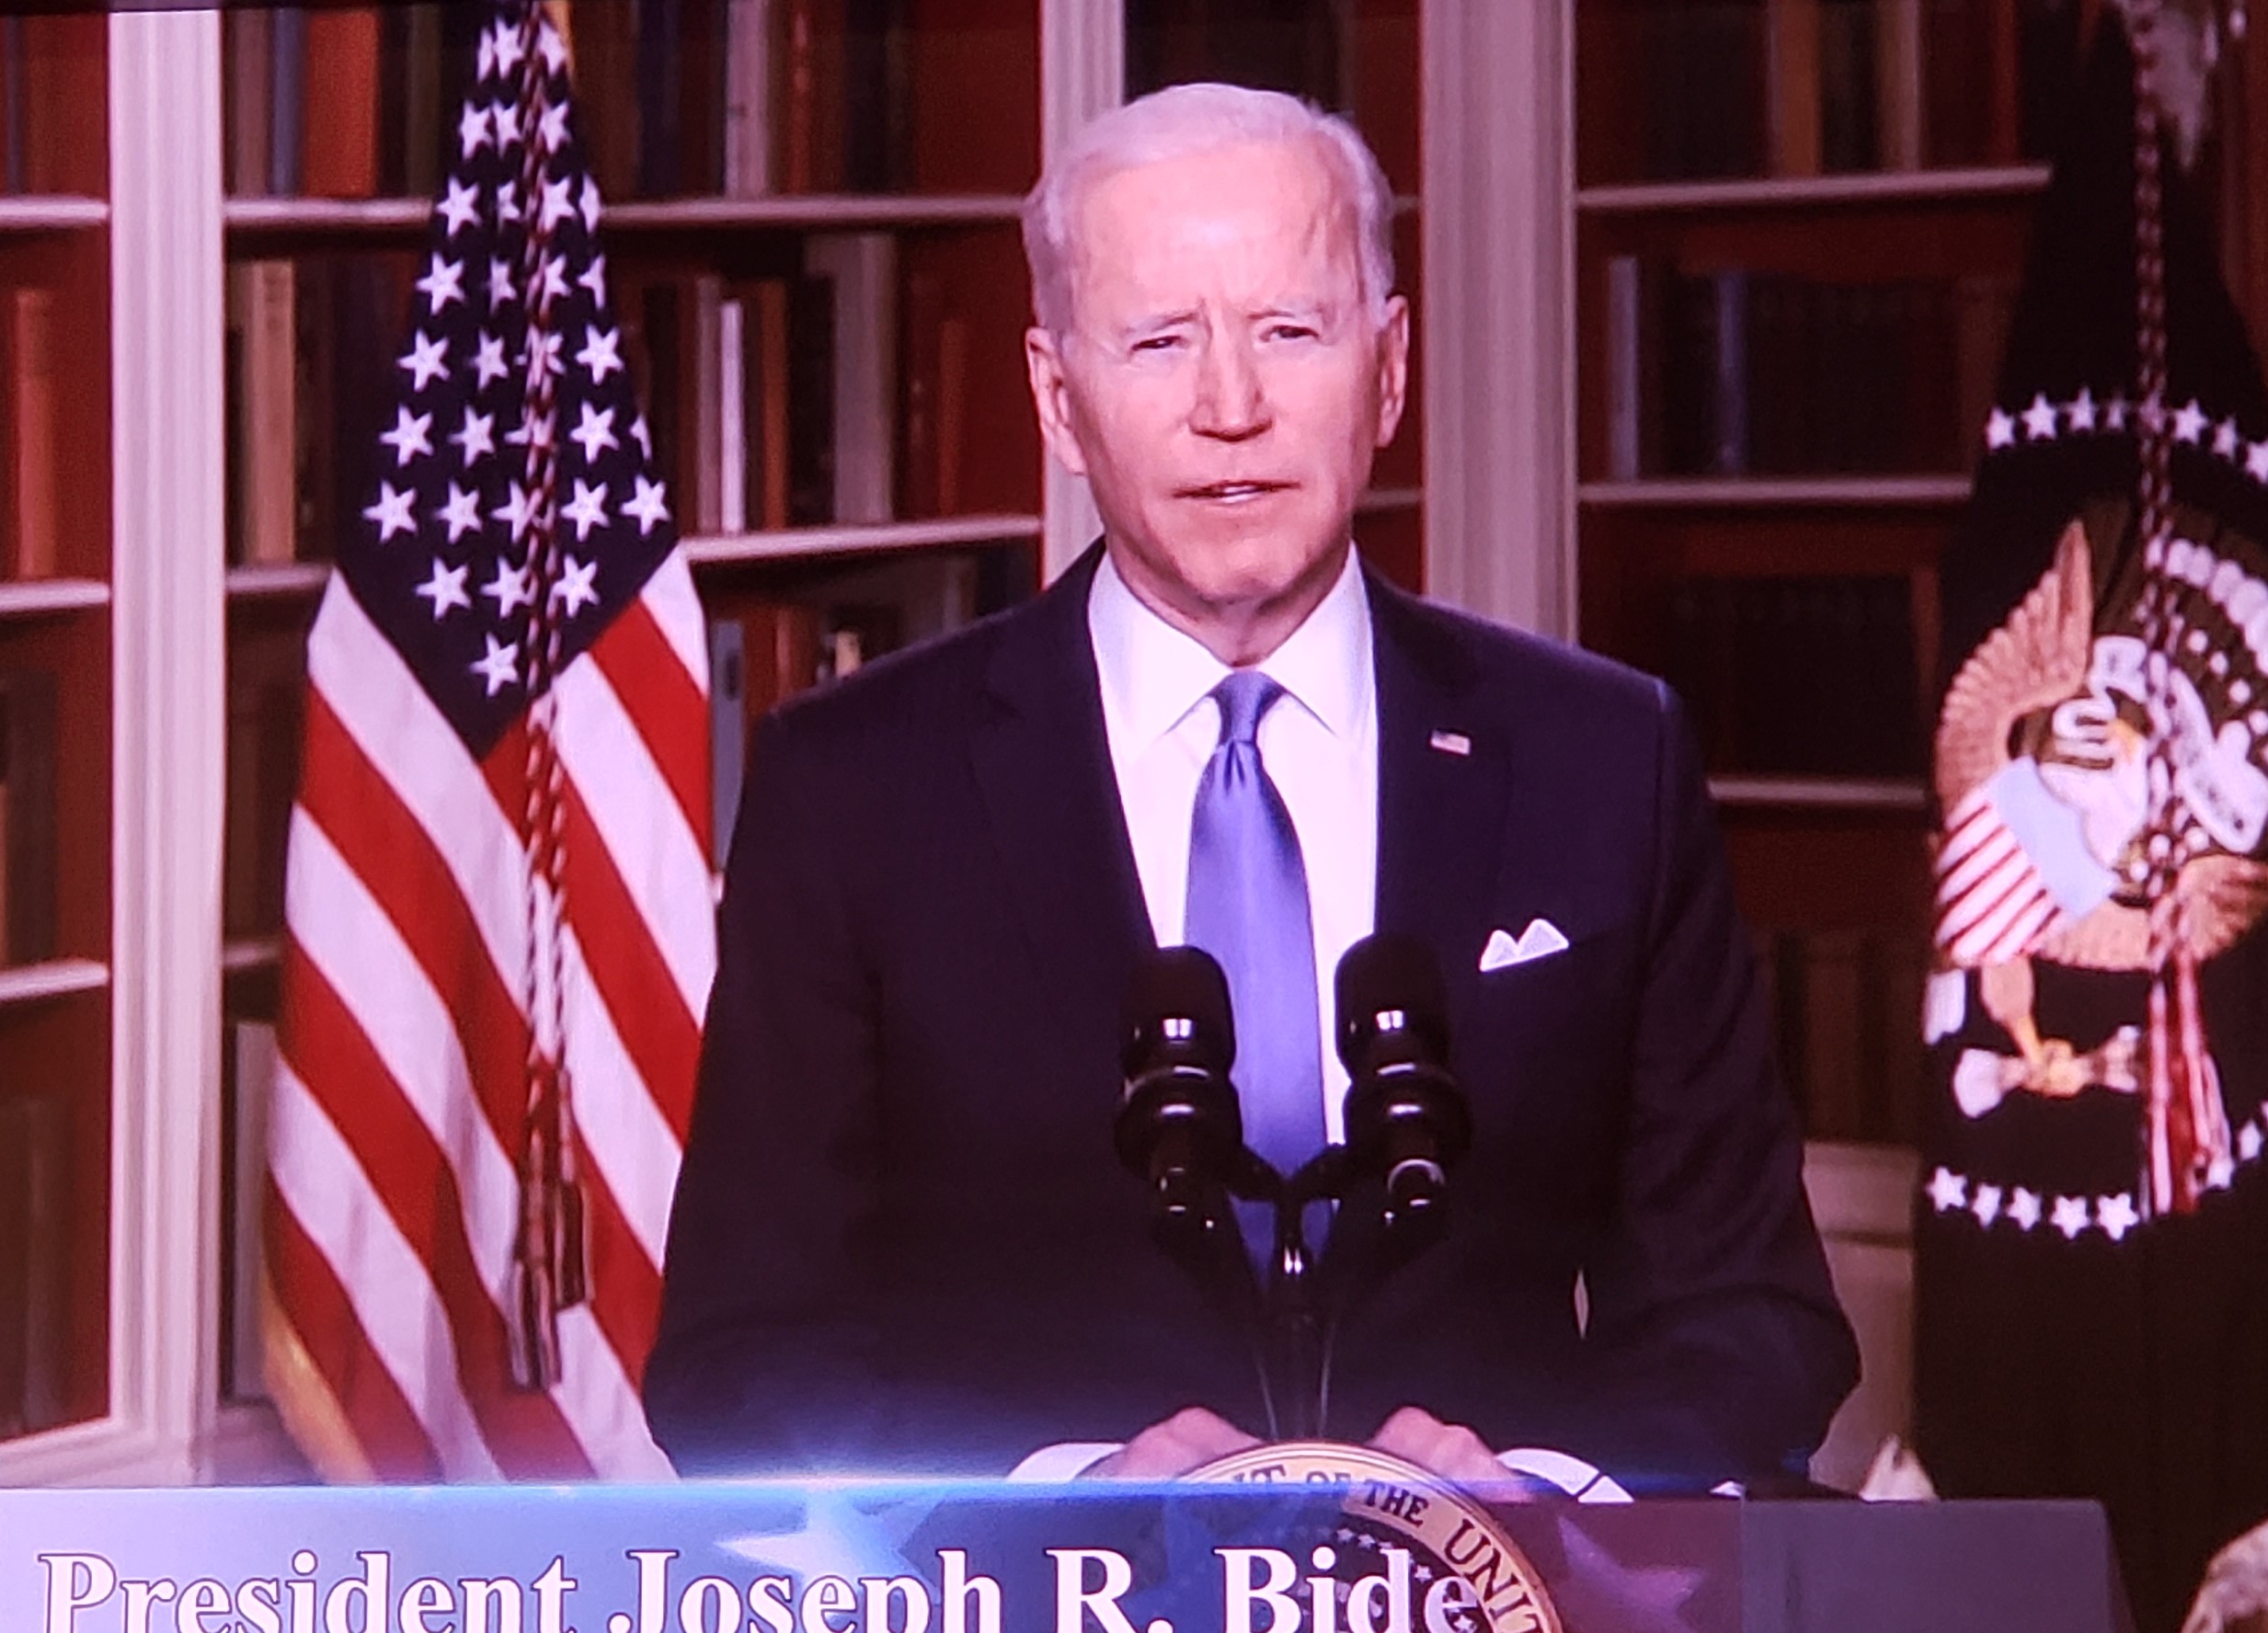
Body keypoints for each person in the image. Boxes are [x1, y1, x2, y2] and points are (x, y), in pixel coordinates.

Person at [641, 83, 1857, 1490]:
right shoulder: (852, 789)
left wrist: (1547, 1501)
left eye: (1291, 330)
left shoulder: (1604, 759)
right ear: (1057, 398)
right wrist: (1046, 1513)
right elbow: (742, 1359)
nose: (1232, 407)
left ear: (1388, 368)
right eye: (1161, 342)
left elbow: (1751, 1323)